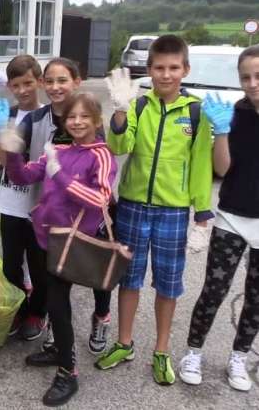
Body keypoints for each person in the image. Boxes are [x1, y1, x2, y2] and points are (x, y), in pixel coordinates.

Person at [96, 35, 214, 386]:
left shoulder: (196, 111)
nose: (166, 75)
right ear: (148, 70)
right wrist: (118, 111)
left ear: (185, 69)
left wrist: (203, 213)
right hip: (132, 206)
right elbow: (120, 146)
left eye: (173, 68)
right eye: (159, 68)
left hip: (173, 212)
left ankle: (161, 350)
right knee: (128, 280)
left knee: (168, 285)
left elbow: (201, 164)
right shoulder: (139, 106)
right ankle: (124, 342)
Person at [3, 92, 117, 406]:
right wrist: (13, 152)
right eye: (71, 117)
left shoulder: (101, 154)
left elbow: (101, 199)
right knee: (55, 304)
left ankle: (69, 371)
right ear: (64, 121)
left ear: (96, 121)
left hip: (72, 243)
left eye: (84, 116)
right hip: (44, 239)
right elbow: (21, 177)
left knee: (58, 305)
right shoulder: (57, 150)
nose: (77, 122)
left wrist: (61, 176)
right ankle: (59, 351)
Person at [178, 45, 259, 392]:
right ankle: (193, 352)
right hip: (231, 216)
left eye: (258, 76)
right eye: (246, 77)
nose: (252, 83)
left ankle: (239, 357)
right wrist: (222, 131)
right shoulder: (235, 114)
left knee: (257, 297)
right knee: (214, 290)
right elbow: (222, 170)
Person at [0, 55, 46, 339]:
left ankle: (38, 312)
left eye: (28, 83)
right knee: (10, 262)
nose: (23, 90)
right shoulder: (8, 114)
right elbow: (4, 162)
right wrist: (4, 140)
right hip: (11, 200)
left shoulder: (50, 114)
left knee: (39, 264)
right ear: (10, 87)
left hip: (41, 203)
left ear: (39, 81)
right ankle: (18, 307)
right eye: (16, 85)